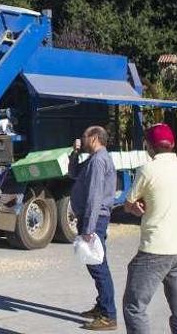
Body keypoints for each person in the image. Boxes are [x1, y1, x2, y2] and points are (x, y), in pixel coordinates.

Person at [122, 123, 177, 334]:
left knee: (134, 306)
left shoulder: (147, 169)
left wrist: (134, 208)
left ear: (150, 147)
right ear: (172, 144)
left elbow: (129, 203)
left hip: (156, 248)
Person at [68, 125, 118, 331]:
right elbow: (74, 173)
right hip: (92, 220)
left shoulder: (99, 160)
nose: (82, 139)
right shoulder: (93, 158)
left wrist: (88, 228)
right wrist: (75, 153)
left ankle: (108, 315)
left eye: (84, 136)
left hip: (95, 220)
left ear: (95, 138)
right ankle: (102, 306)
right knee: (94, 263)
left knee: (98, 266)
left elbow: (95, 195)